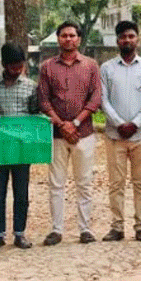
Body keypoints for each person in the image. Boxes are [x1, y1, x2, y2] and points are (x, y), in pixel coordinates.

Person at [37, 21, 102, 245]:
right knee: (56, 183)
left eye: (72, 35)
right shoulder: (47, 67)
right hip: (57, 135)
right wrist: (61, 125)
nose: (68, 39)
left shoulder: (91, 65)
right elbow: (43, 100)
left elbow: (95, 98)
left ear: (79, 39)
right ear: (58, 39)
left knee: (84, 183)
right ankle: (56, 230)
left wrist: (74, 122)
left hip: (84, 133)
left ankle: (85, 229)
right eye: (64, 35)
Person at [100, 20, 141, 243]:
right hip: (115, 136)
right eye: (123, 37)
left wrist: (135, 123)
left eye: (131, 36)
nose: (127, 40)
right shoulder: (107, 68)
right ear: (117, 41)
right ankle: (117, 226)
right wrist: (119, 123)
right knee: (116, 183)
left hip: (140, 135)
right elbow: (103, 100)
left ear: (138, 39)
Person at [0, 43, 39, 251]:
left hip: (22, 146)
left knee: (21, 192)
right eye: (13, 66)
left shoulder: (31, 86)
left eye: (20, 66)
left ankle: (20, 234)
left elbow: (35, 113)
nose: (17, 70)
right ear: (4, 64)